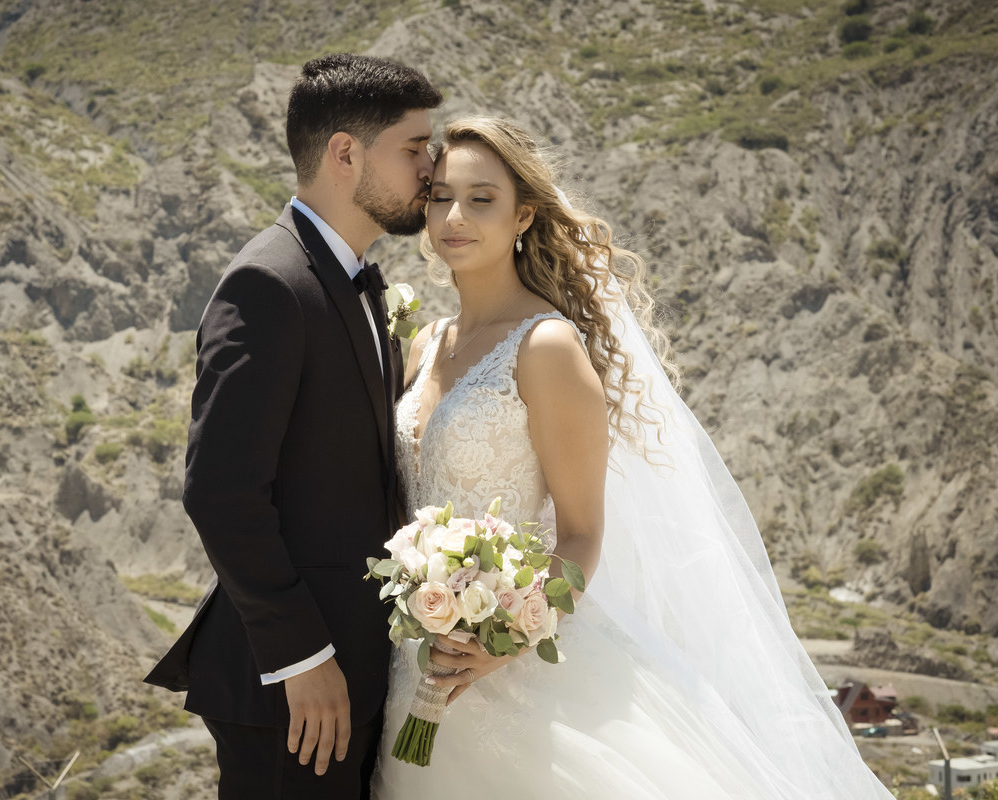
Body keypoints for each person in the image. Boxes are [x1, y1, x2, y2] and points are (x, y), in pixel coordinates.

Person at [371, 117, 892, 798]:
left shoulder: (546, 347)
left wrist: (507, 639)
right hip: (417, 668)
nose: (455, 217)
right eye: (440, 197)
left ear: (524, 214)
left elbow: (583, 533)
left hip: (521, 677)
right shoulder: (423, 343)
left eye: (482, 198)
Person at [144, 53, 441, 799]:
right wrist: (303, 658)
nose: (432, 170)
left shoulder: (353, 278)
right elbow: (220, 491)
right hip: (295, 699)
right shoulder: (270, 283)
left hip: (360, 674)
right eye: (414, 148)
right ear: (346, 153)